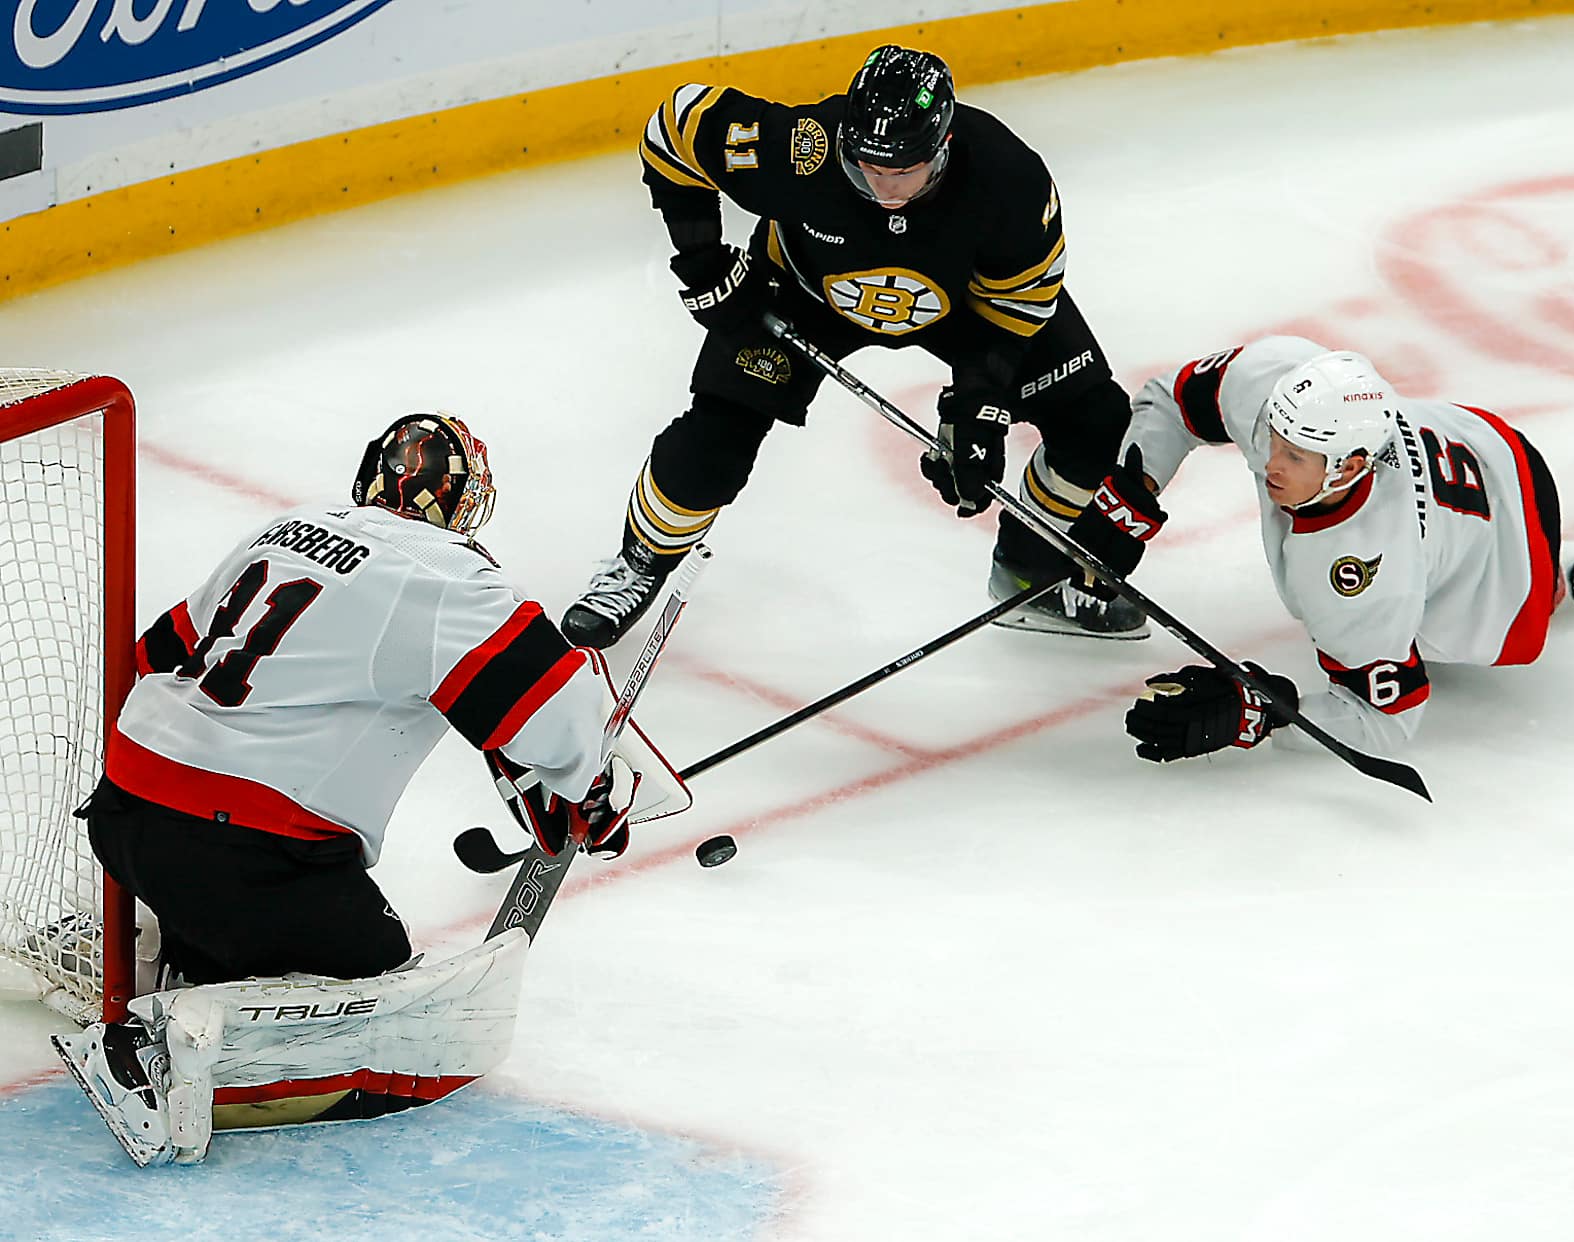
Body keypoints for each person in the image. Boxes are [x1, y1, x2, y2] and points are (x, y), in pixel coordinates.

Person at [52, 412, 687, 1168]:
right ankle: (145, 1055)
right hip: (243, 856)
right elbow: (557, 708)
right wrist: (592, 787)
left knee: (245, 922)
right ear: (463, 503)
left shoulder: (287, 530)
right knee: (373, 981)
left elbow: (155, 652)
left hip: (124, 813)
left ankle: (176, 952)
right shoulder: (451, 576)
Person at [561, 44, 1148, 647]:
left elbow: (1017, 304)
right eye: (868, 166)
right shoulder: (799, 148)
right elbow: (675, 127)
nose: (884, 186)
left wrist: (980, 404)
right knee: (716, 437)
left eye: (903, 171)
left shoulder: (1008, 178)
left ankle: (1030, 568)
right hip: (804, 293)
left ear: (943, 145)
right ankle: (637, 563)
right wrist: (704, 264)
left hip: (964, 306)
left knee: (1095, 418)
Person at [1064, 335, 1574, 762]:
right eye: (1275, 438)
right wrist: (1128, 498)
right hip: (1473, 434)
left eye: (1296, 455)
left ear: (1347, 468)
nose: (1270, 462)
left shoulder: (1367, 572)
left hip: (1503, 529)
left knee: (1487, 626)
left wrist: (1255, 713)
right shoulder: (1278, 379)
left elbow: (1385, 721)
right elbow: (1168, 401)